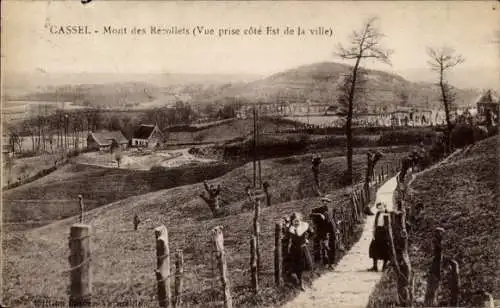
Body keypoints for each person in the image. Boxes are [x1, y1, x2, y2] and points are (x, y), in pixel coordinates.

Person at [285, 212, 315, 290]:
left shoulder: (304, 226)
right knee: (297, 266)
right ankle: (300, 281)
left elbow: (312, 233)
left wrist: (307, 239)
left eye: (297, 220)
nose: (296, 222)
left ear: (300, 220)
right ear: (292, 221)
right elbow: (286, 238)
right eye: (294, 221)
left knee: (308, 264)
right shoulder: (290, 228)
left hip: (303, 247)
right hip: (294, 249)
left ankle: (307, 280)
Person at [368, 202, 390, 272]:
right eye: (379, 208)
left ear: (385, 206)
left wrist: (388, 236)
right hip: (378, 231)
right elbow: (375, 224)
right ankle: (375, 267)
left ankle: (384, 267)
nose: (380, 209)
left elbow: (388, 226)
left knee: (385, 250)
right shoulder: (378, 214)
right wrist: (373, 233)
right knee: (373, 248)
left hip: (384, 233)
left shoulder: (387, 214)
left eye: (382, 207)